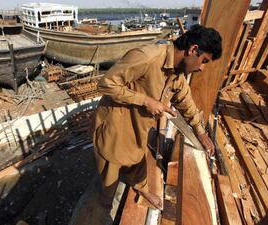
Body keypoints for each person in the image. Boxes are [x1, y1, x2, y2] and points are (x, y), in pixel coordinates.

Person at [91, 24, 222, 210]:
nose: (201, 68)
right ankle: (105, 204)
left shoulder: (177, 74)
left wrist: (200, 132)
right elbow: (106, 84)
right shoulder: (147, 57)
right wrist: (146, 101)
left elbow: (186, 102)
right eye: (204, 60)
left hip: (139, 125)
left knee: (137, 160)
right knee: (110, 174)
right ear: (193, 49)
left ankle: (141, 189)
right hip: (116, 123)